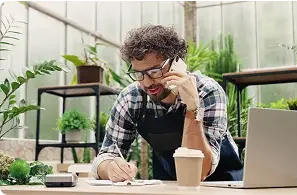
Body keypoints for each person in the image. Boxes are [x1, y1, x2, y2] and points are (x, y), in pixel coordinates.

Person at [91, 24, 243, 182]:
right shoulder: (132, 98)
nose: (148, 82)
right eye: (139, 74)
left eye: (155, 71)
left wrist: (193, 109)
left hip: (221, 185)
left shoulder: (208, 92)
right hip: (169, 184)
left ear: (177, 62)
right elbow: (106, 156)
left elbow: (198, 173)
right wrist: (111, 169)